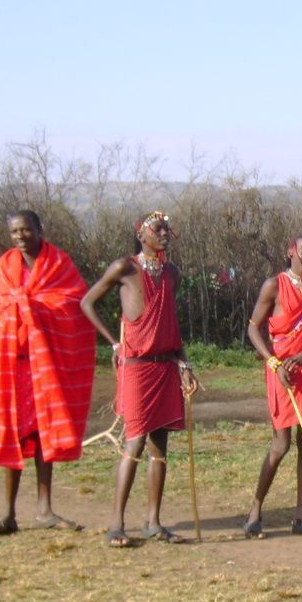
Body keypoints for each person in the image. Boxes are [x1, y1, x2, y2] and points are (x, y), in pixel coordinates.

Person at [81, 211, 198, 547]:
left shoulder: (171, 273)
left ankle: (153, 522)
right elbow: (87, 302)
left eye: (166, 229)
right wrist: (114, 343)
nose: (164, 234)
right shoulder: (124, 268)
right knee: (134, 441)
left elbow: (171, 325)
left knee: (160, 447)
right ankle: (116, 524)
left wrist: (184, 363)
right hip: (137, 366)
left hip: (165, 365)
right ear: (141, 234)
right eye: (157, 229)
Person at [0, 210, 96, 535]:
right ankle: (8, 513)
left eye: (26, 230)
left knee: (44, 435)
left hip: (47, 363)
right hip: (13, 364)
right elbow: (3, 311)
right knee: (13, 435)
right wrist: (22, 306)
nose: (21, 236)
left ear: (39, 230)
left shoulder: (59, 264)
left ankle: (45, 510)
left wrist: (36, 308)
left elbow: (73, 303)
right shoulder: (4, 267)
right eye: (15, 232)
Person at [244, 231, 302, 539]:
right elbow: (254, 327)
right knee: (280, 444)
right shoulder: (274, 285)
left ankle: (301, 516)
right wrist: (273, 362)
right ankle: (255, 512)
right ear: (291, 251)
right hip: (282, 371)